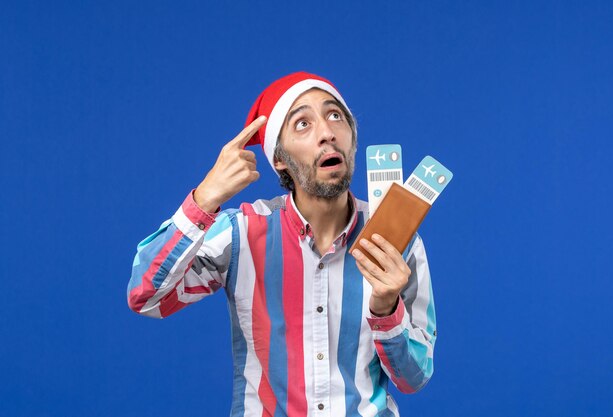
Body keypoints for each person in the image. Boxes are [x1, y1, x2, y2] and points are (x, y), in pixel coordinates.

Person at [127, 72, 436, 417]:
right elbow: (145, 297)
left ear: (351, 139)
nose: (326, 133)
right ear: (279, 158)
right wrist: (204, 198)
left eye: (335, 115)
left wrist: (385, 308)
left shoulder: (397, 242)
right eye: (302, 123)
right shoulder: (240, 233)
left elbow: (414, 378)